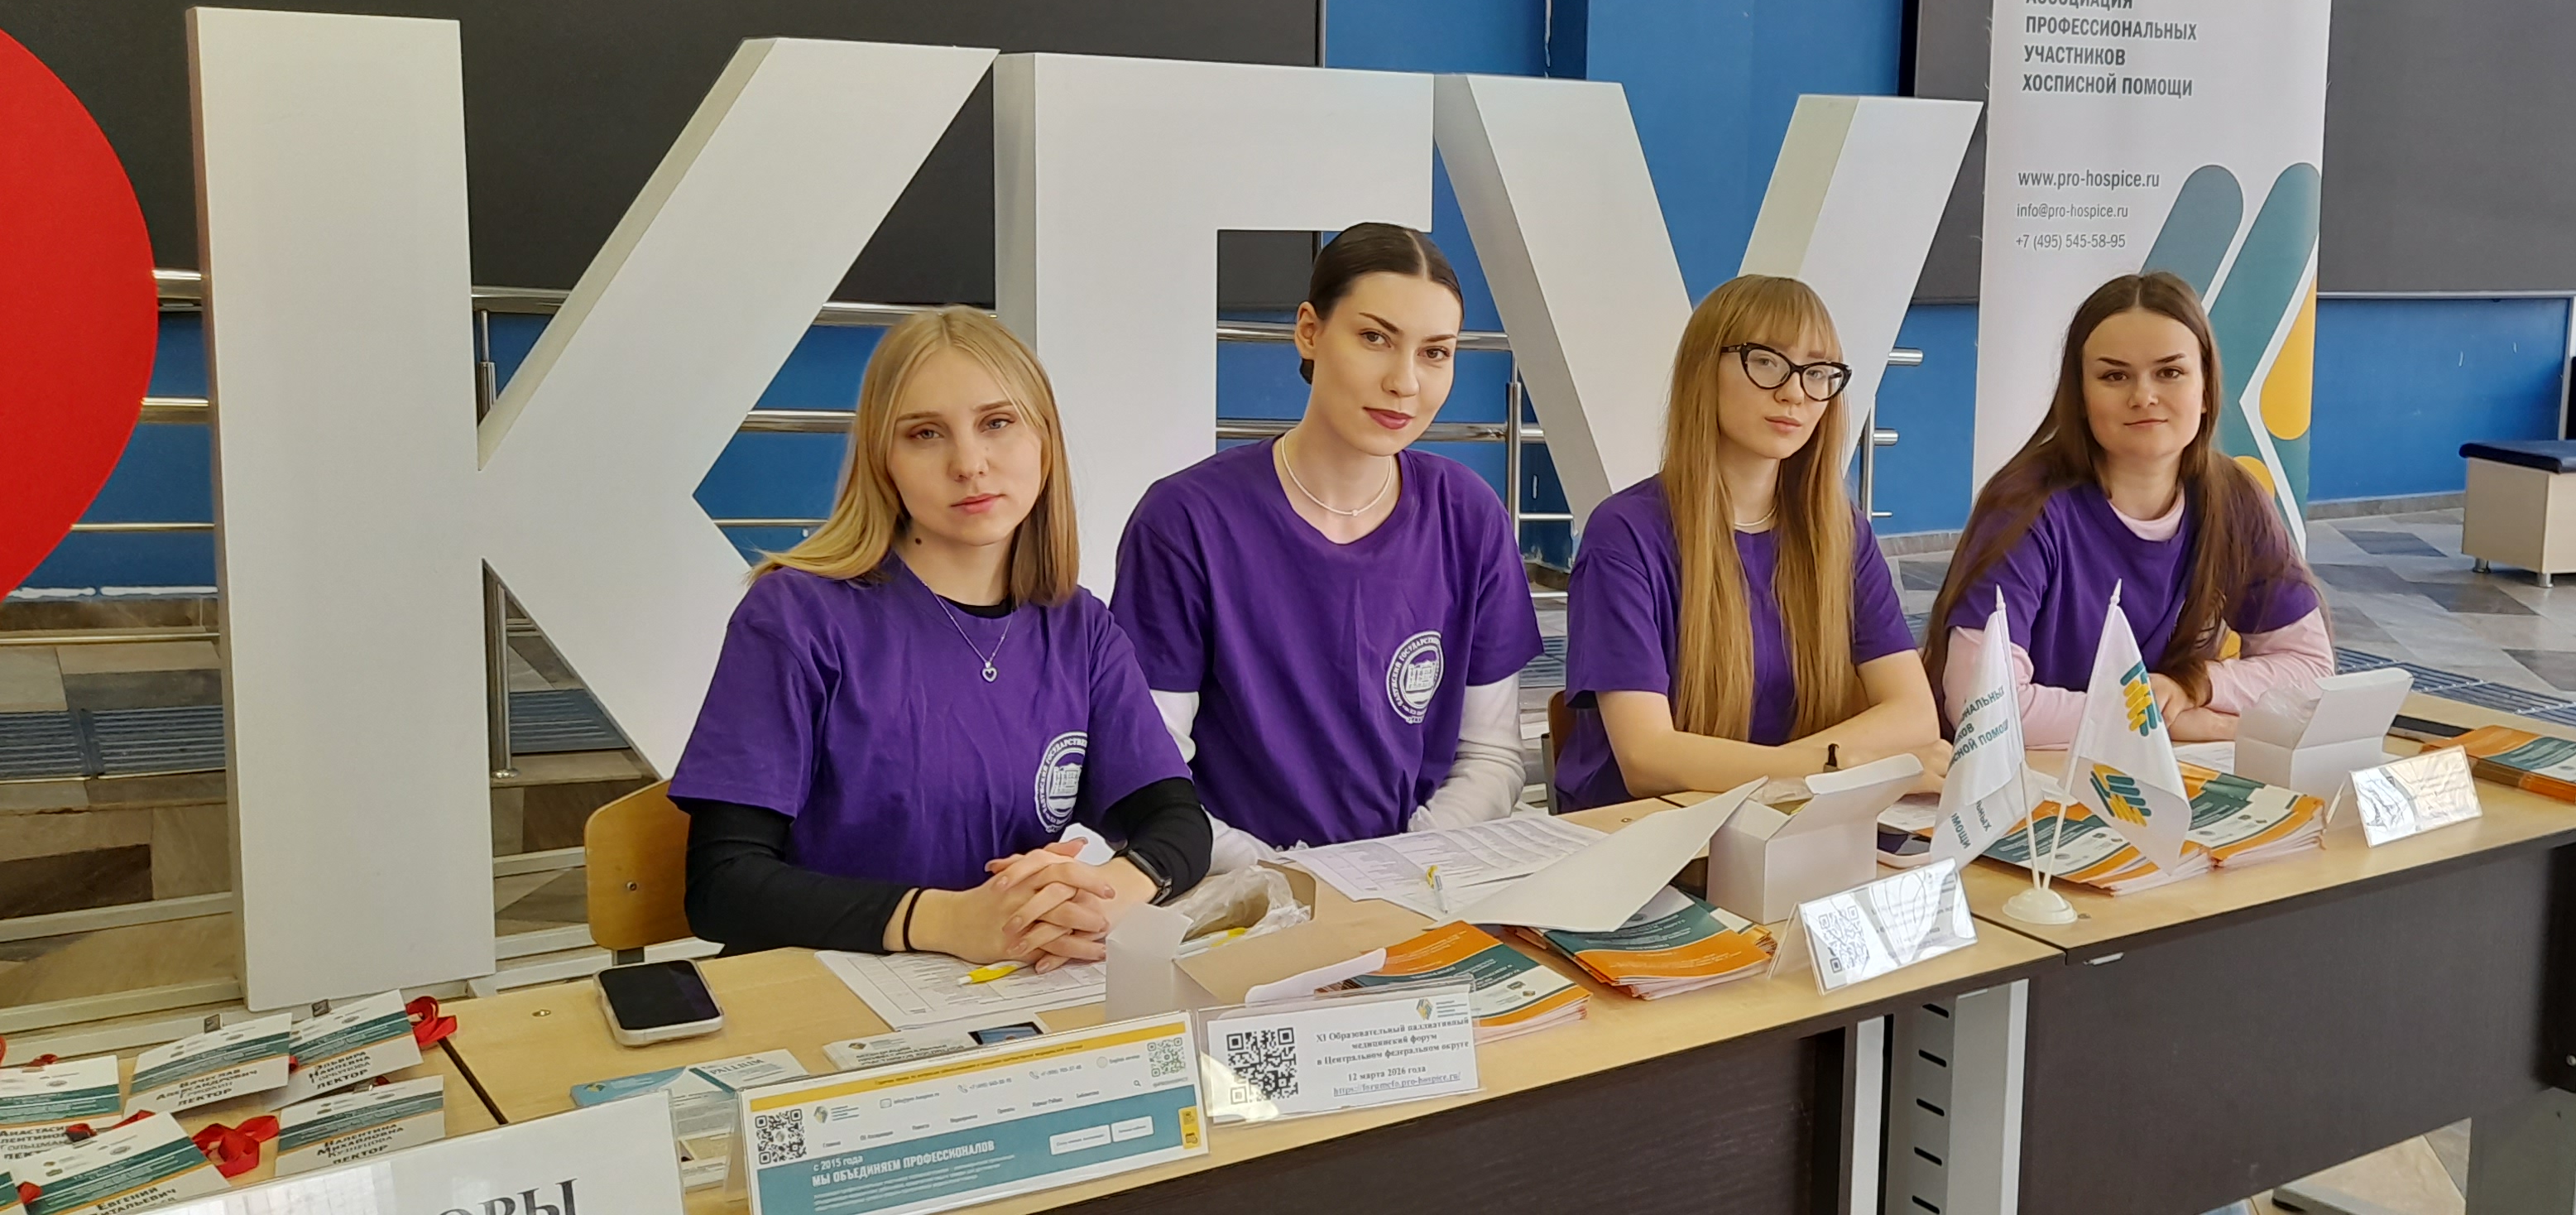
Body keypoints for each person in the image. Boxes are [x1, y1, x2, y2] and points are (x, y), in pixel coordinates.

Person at [669, 307, 1204, 963]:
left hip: (994, 988)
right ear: (883, 461)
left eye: (997, 423)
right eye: (925, 434)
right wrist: (945, 920)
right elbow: (723, 885)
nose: (970, 464)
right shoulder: (794, 616)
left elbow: (1177, 824)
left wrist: (1102, 897)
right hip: (817, 989)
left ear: (1044, 440)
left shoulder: (1080, 628)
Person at [1113, 223, 1543, 850]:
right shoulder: (1186, 521)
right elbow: (1151, 777)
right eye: (1375, 338)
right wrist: (1279, 881)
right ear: (1310, 331)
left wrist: (1403, 863)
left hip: (1418, 880)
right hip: (1240, 886)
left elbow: (1490, 756)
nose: (1405, 382)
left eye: (1435, 352)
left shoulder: (1469, 514)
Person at [1556, 276, 1947, 809]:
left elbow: (1915, 716)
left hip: (1798, 823)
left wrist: (1799, 776)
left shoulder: (1842, 532)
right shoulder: (1624, 534)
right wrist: (1847, 767)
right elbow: (1647, 759)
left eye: (1817, 372)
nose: (1794, 393)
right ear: (1704, 369)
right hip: (1655, 835)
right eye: (1766, 361)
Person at [1927, 272, 2330, 747]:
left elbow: (2311, 670)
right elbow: (1981, 706)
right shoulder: (2025, 505)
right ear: (2080, 398)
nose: (2144, 397)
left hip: (2166, 771)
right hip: (2026, 772)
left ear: (2206, 390)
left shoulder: (2234, 497)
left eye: (2170, 372)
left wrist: (2196, 686)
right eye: (2114, 376)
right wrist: (2158, 722)